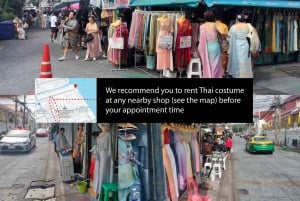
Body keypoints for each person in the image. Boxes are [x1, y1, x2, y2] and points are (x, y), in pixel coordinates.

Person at [197, 9, 223, 78]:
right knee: (215, 64)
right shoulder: (215, 25)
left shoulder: (201, 26)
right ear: (213, 17)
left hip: (206, 47)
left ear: (205, 17)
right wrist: (227, 34)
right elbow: (222, 32)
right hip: (215, 46)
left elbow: (200, 39)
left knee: (208, 63)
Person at [227, 13, 253, 78]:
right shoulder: (248, 26)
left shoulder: (234, 27)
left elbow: (229, 37)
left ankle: (238, 76)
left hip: (236, 45)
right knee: (245, 60)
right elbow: (251, 35)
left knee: (237, 61)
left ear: (237, 19)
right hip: (245, 43)